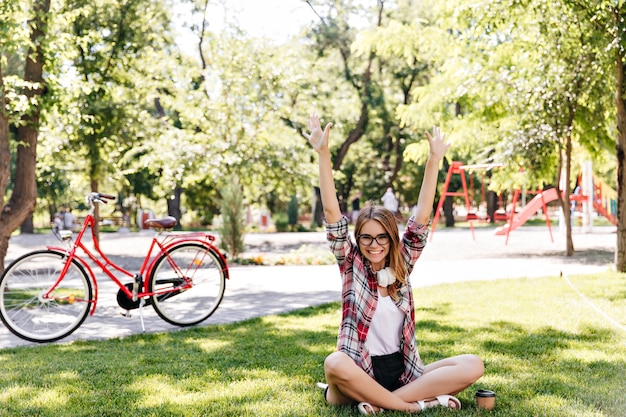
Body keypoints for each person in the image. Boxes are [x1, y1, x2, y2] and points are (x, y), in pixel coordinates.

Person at [304, 114, 484, 415]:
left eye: (381, 238)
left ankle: (382, 403)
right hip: (359, 371)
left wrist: (434, 160)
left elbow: (423, 217)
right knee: (334, 363)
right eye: (366, 238)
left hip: (402, 372)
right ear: (357, 239)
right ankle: (415, 406)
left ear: (392, 237)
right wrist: (323, 153)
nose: (374, 245)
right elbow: (332, 212)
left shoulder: (403, 263)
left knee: (472, 363)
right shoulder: (351, 264)